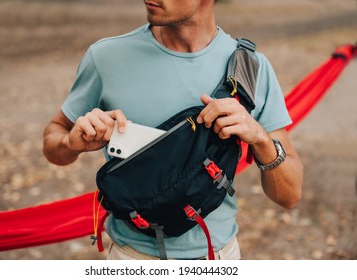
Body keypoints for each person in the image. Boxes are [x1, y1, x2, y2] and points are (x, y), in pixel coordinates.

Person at [43, 0, 303, 260]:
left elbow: (289, 195)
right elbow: (53, 139)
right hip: (132, 259)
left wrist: (260, 139)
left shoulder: (250, 67)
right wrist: (69, 144)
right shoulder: (106, 57)